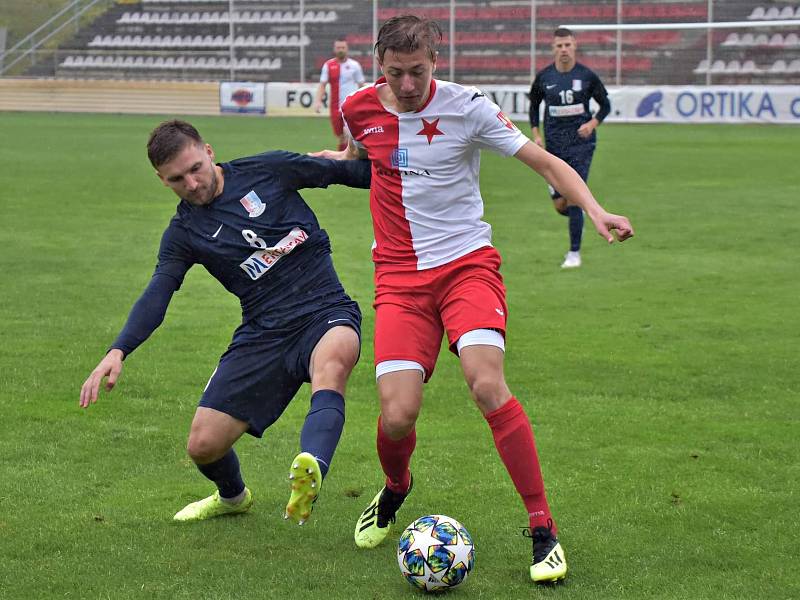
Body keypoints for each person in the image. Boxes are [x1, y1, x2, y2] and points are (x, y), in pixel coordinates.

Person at [313, 16, 633, 585]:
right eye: (395, 74)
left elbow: (547, 163)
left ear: (435, 61)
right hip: (400, 280)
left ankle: (542, 529)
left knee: (486, 383)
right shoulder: (360, 106)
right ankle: (395, 488)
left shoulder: (469, 107)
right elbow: (363, 159)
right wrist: (320, 164)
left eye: (417, 72)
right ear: (379, 65)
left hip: (467, 268)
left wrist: (595, 208)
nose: (407, 85)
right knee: (397, 413)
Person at [79, 120, 370, 526]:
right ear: (163, 181)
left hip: (325, 309)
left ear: (209, 151)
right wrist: (118, 349)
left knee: (333, 362)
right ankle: (233, 497)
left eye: (195, 168)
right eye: (177, 179)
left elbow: (354, 174)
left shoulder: (268, 169)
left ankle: (312, 467)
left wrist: (388, 157)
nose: (192, 184)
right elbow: (158, 293)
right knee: (202, 445)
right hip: (263, 332)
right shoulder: (183, 233)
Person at [529, 27, 611, 269]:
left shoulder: (587, 76)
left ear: (575, 46)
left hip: (582, 146)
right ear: (553, 48)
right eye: (559, 46)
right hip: (554, 147)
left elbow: (605, 105)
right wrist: (535, 134)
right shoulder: (544, 77)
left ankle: (574, 253)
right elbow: (534, 107)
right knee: (560, 205)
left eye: (567, 45)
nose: (563, 49)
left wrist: (593, 123)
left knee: (574, 197)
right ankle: (579, 212)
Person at [313, 38, 366, 151]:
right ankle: (345, 158)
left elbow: (361, 85)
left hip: (351, 107)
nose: (340, 50)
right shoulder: (328, 65)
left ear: (347, 49)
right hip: (335, 108)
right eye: (338, 48)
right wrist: (318, 101)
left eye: (343, 47)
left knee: (348, 135)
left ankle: (345, 161)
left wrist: (366, 102)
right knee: (341, 136)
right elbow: (322, 85)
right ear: (334, 49)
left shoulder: (354, 65)